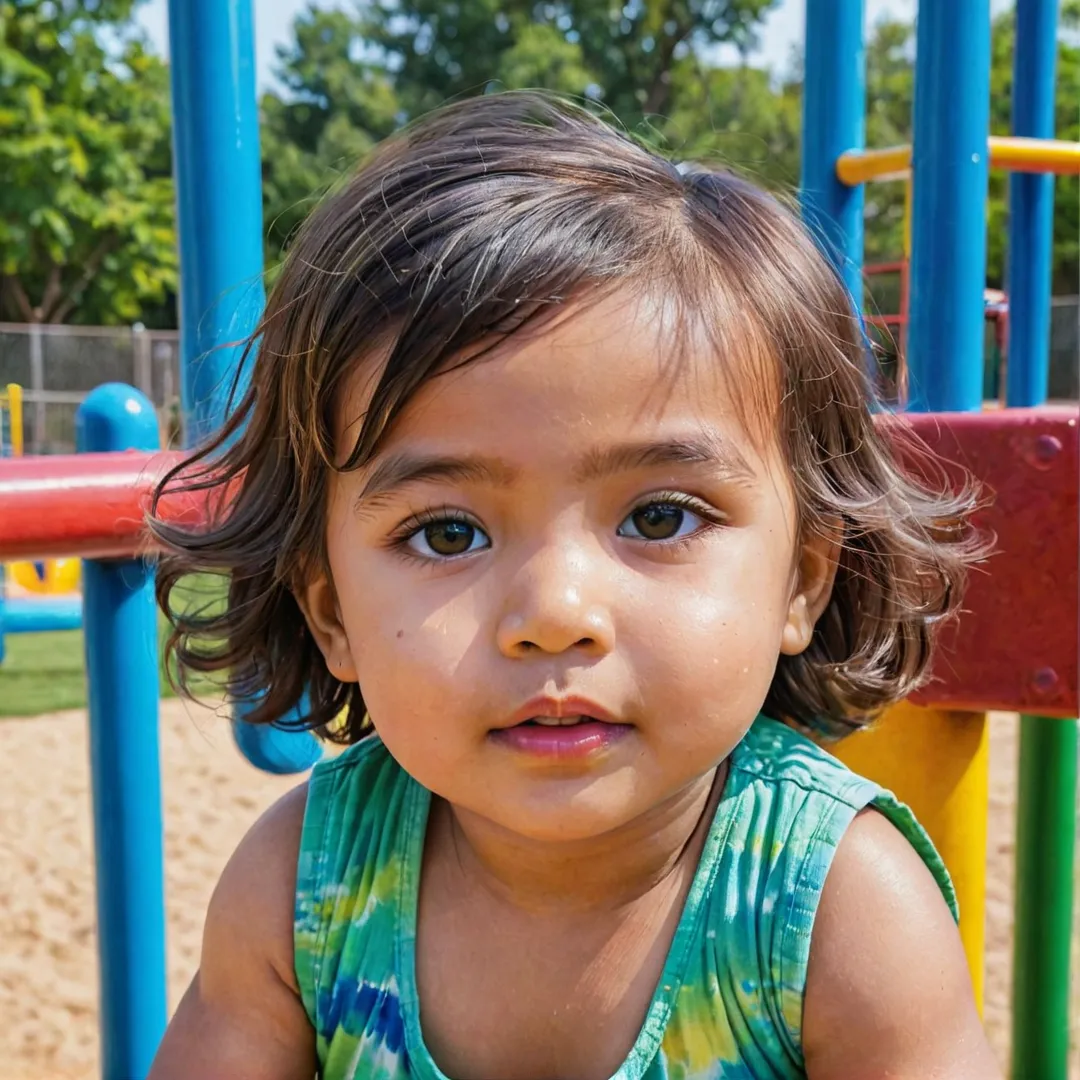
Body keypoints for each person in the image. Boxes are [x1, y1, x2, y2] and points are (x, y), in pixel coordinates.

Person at [147, 92, 999, 1080]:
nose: (555, 614)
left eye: (659, 518)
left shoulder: (833, 917)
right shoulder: (306, 891)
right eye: (447, 531)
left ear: (803, 581)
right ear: (330, 608)